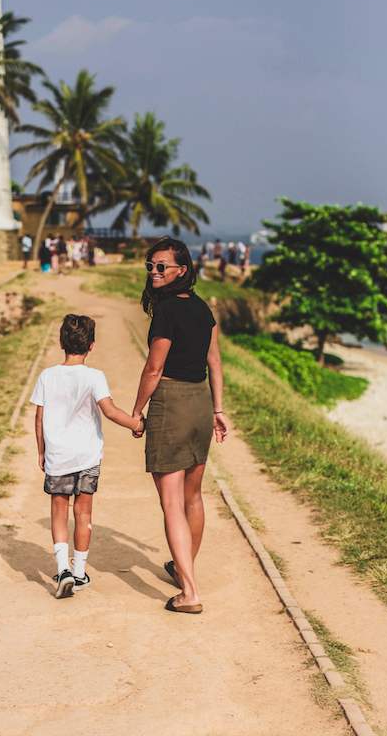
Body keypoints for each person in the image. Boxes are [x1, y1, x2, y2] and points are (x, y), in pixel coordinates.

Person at [132, 236, 229, 614]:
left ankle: (189, 592)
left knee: (172, 502)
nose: (155, 272)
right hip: (201, 402)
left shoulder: (168, 311)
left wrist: (138, 410)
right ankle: (182, 568)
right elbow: (215, 363)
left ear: (181, 270)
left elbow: (154, 368)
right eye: (150, 267)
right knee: (192, 497)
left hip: (171, 404)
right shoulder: (204, 310)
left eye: (162, 267)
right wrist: (218, 409)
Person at [31, 314, 143, 598]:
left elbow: (39, 418)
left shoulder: (47, 375)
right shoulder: (95, 377)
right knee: (83, 513)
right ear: (91, 346)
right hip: (88, 456)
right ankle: (79, 572)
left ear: (60, 343)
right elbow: (110, 410)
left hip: (58, 455)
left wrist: (42, 450)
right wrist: (137, 424)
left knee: (59, 512)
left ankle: (62, 570)